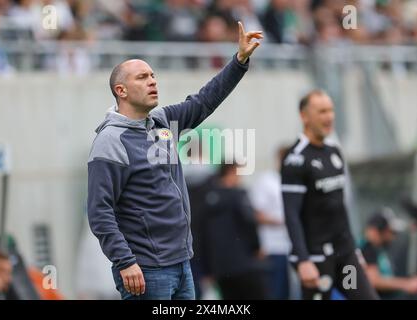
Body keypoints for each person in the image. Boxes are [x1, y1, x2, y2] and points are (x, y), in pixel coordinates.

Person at [87, 21, 263, 300]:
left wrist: (239, 60)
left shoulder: (162, 121)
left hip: (182, 263)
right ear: (121, 91)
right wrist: (125, 261)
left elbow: (205, 100)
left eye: (153, 75)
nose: (152, 81)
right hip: (146, 269)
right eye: (142, 77)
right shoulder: (110, 141)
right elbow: (100, 211)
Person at [281, 89, 379, 300]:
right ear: (304, 116)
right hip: (316, 258)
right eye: (322, 111)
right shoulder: (296, 160)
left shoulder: (334, 152)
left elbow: (339, 207)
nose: (329, 117)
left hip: (345, 256)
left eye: (331, 110)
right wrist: (303, 259)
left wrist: (354, 249)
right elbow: (291, 214)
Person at [198, 163, 268, 300]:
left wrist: (207, 268)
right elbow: (249, 222)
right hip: (244, 264)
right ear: (231, 172)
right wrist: (257, 247)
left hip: (220, 267)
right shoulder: (238, 195)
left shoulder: (206, 198)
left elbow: (202, 235)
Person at [250, 146, 292, 299]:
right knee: (275, 293)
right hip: (273, 247)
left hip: (291, 248)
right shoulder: (266, 180)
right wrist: (284, 220)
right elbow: (256, 214)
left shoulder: (293, 181)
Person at [361, 210, 417, 299]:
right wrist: (407, 284)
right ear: (378, 230)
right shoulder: (367, 247)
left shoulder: (377, 249)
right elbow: (373, 280)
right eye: (390, 232)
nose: (393, 236)